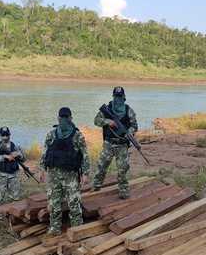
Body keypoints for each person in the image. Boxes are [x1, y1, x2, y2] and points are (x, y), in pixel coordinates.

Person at [39, 107, 90, 236]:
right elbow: (45, 153)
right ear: (58, 118)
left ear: (71, 118)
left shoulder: (77, 135)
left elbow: (85, 155)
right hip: (54, 174)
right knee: (54, 202)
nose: (64, 120)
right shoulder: (52, 134)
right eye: (62, 118)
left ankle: (77, 228)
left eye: (66, 118)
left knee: (74, 202)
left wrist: (85, 173)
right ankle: (55, 227)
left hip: (70, 176)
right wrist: (42, 169)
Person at [92, 86, 138, 199]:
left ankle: (123, 191)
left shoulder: (129, 110)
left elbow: (134, 126)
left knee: (123, 169)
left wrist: (129, 132)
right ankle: (96, 186)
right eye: (116, 96)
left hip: (122, 144)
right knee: (102, 166)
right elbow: (96, 121)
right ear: (113, 97)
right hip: (109, 143)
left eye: (120, 97)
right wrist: (108, 121)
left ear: (124, 97)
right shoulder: (107, 109)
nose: (118, 99)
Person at [0, 126, 25, 220]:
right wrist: (5, 157)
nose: (5, 137)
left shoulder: (15, 146)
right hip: (1, 174)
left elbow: (23, 159)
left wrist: (18, 154)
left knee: (15, 196)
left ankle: (14, 215)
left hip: (14, 174)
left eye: (6, 135)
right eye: (3, 135)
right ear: (0, 136)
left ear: (9, 135)